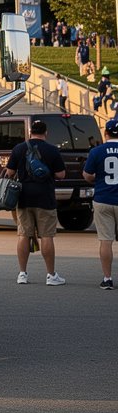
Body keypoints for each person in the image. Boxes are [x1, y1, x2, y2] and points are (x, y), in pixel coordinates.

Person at [5, 118, 67, 285]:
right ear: (46, 132)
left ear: (30, 132)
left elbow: (9, 172)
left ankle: (22, 274)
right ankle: (51, 275)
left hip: (24, 196)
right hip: (45, 197)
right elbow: (61, 174)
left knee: (24, 234)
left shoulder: (19, 148)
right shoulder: (52, 150)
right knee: (47, 235)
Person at [82, 116, 118, 289]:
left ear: (106, 133)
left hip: (103, 198)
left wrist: (98, 178)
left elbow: (87, 175)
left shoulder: (97, 151)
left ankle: (107, 278)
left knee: (106, 240)